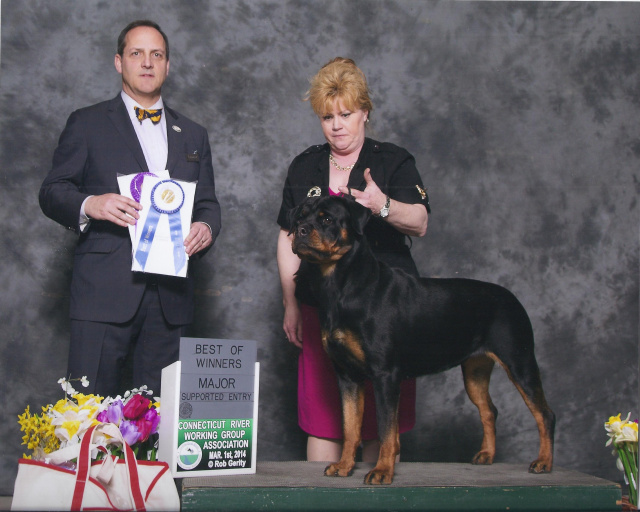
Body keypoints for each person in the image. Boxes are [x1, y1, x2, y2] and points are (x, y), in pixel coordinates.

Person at [39, 20, 221, 398]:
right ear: (119, 62)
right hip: (103, 294)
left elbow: (207, 204)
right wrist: (93, 203)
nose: (147, 62)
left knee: (159, 420)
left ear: (168, 65)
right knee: (88, 415)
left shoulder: (193, 133)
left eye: (157, 54)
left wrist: (205, 226)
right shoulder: (86, 123)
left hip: (170, 300)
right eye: (137, 53)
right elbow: (52, 191)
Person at [276, 57, 430, 462]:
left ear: (365, 112)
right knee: (325, 419)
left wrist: (382, 205)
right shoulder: (305, 165)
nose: (337, 125)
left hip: (386, 309)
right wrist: (290, 302)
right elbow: (286, 235)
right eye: (327, 116)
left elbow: (419, 222)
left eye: (346, 114)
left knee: (383, 414)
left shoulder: (392, 160)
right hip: (321, 305)